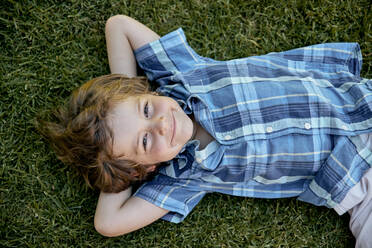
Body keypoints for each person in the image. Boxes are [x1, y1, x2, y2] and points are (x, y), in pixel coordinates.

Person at [40, 15, 372, 247]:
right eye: (144, 141)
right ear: (146, 168)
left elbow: (119, 25)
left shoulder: (183, 76)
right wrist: (119, 171)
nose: (160, 124)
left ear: (147, 91)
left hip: (358, 101)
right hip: (355, 177)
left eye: (145, 109)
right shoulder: (182, 178)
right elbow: (108, 224)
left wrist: (128, 88)